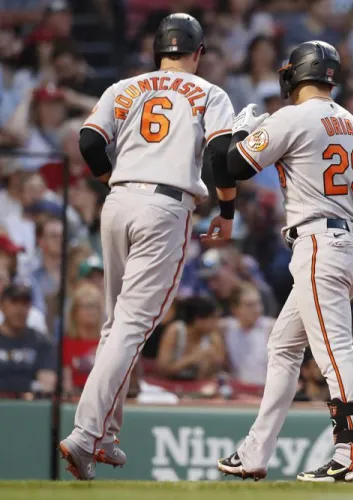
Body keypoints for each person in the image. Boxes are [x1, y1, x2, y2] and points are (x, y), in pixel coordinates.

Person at [59, 14, 236, 480]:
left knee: (116, 324)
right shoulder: (209, 92)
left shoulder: (123, 87)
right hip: (165, 204)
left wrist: (108, 179)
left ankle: (106, 434)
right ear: (197, 53)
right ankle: (86, 434)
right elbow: (220, 155)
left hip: (118, 201)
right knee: (132, 326)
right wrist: (228, 209)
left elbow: (89, 140)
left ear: (158, 50)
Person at [217, 41, 353, 483]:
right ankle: (256, 449)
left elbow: (233, 167)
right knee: (283, 345)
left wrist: (241, 132)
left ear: (296, 74)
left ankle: (352, 451)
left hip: (318, 245)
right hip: (349, 245)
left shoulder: (291, 116)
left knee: (334, 352)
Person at [0, 284, 56, 396]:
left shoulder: (42, 341)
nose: (20, 309)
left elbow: (47, 384)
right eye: (14, 302)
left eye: (25, 303)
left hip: (29, 406)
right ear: (2, 306)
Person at [155, 296, 224, 381]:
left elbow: (212, 375)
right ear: (198, 319)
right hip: (170, 383)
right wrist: (191, 359)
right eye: (213, 318)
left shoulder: (213, 338)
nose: (217, 323)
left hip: (194, 387)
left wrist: (211, 364)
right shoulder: (176, 331)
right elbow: (162, 370)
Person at [223, 283, 274, 386]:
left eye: (258, 303)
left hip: (266, 391)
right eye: (249, 305)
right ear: (235, 309)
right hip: (238, 393)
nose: (257, 310)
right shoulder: (226, 329)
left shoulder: (272, 328)